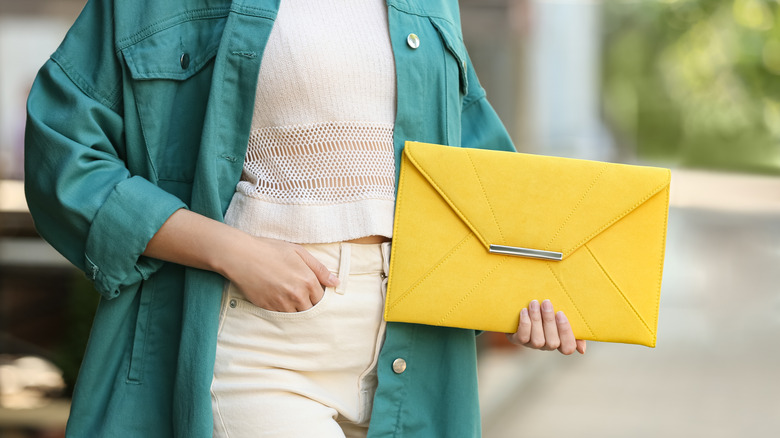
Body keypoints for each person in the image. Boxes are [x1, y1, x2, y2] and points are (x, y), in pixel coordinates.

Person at [24, 0, 585, 436]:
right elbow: (65, 152)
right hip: (259, 342)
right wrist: (231, 250)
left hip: (416, 350)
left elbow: (474, 167)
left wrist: (524, 291)